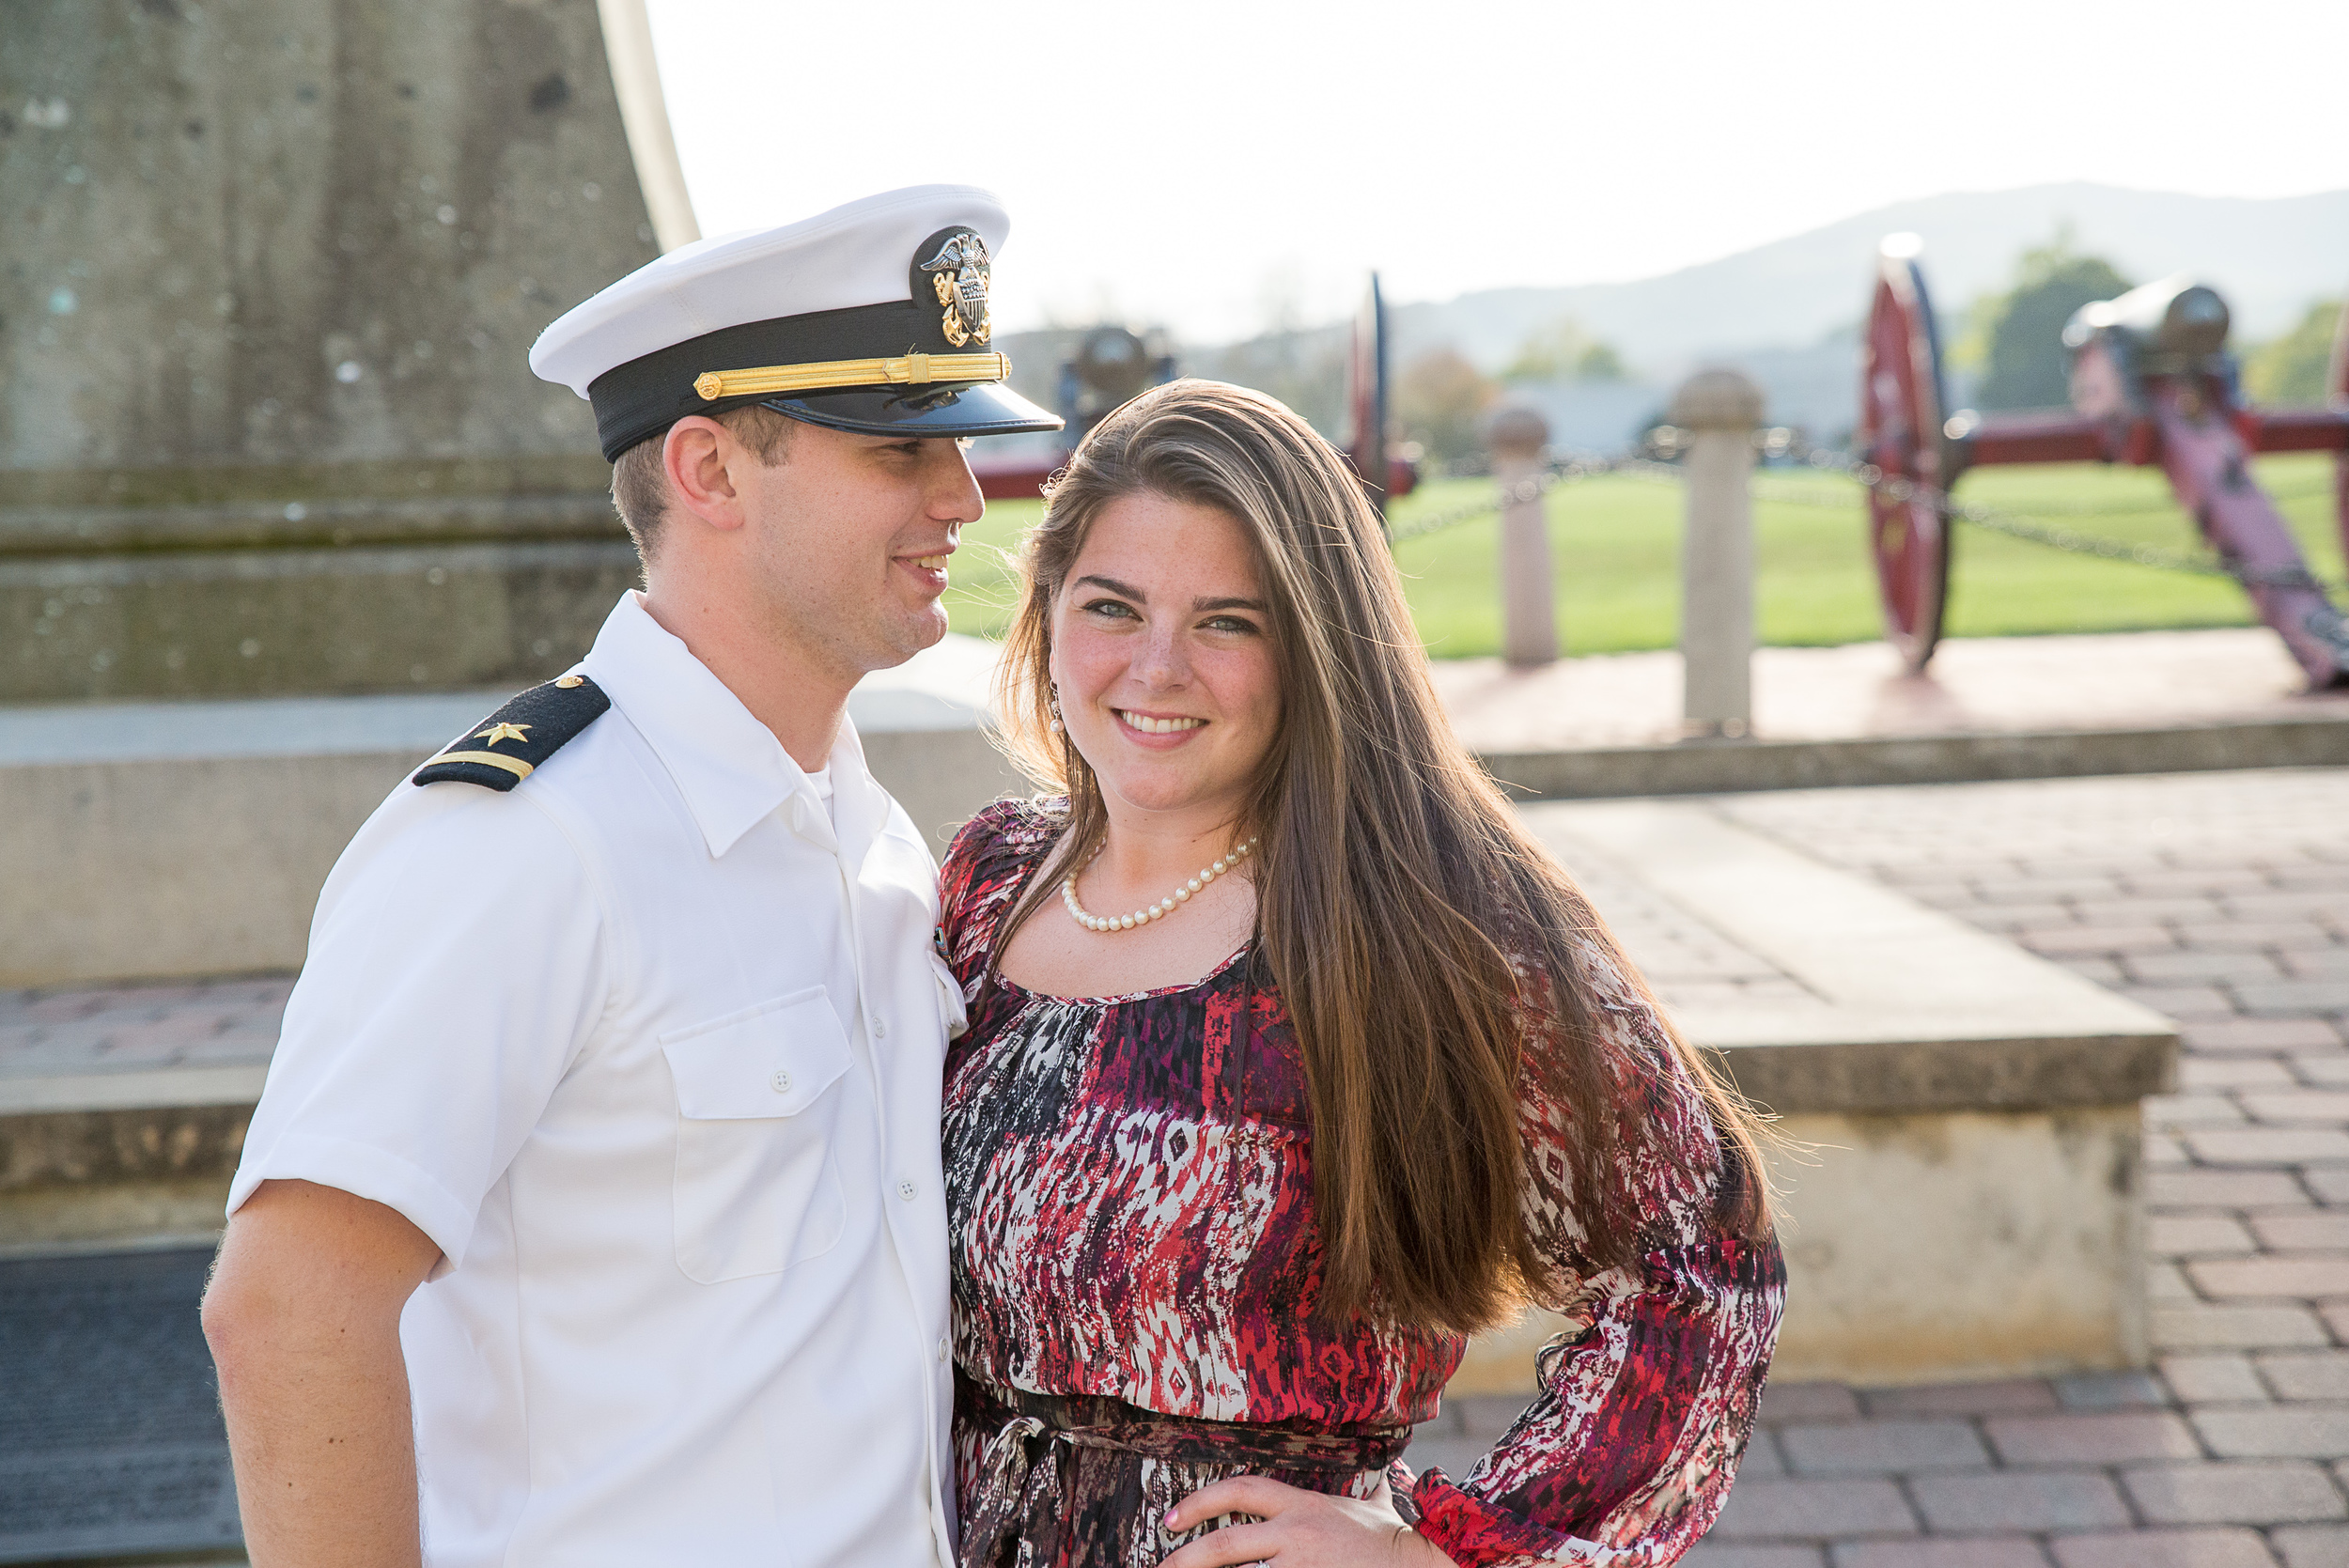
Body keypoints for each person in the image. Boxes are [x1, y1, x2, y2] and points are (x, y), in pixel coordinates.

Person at [201, 186, 1063, 1568]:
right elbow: (291, 1306)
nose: (962, 497)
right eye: (901, 451)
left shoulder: (873, 836)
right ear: (711, 471)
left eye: (960, 449)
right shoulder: (520, 844)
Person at [936, 380, 1784, 1567]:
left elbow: (1706, 1266)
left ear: (1313, 647)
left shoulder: (1427, 919)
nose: (1157, 666)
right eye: (1112, 607)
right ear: (1046, 610)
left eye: (1229, 621)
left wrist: (1443, 1552)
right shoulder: (989, 879)